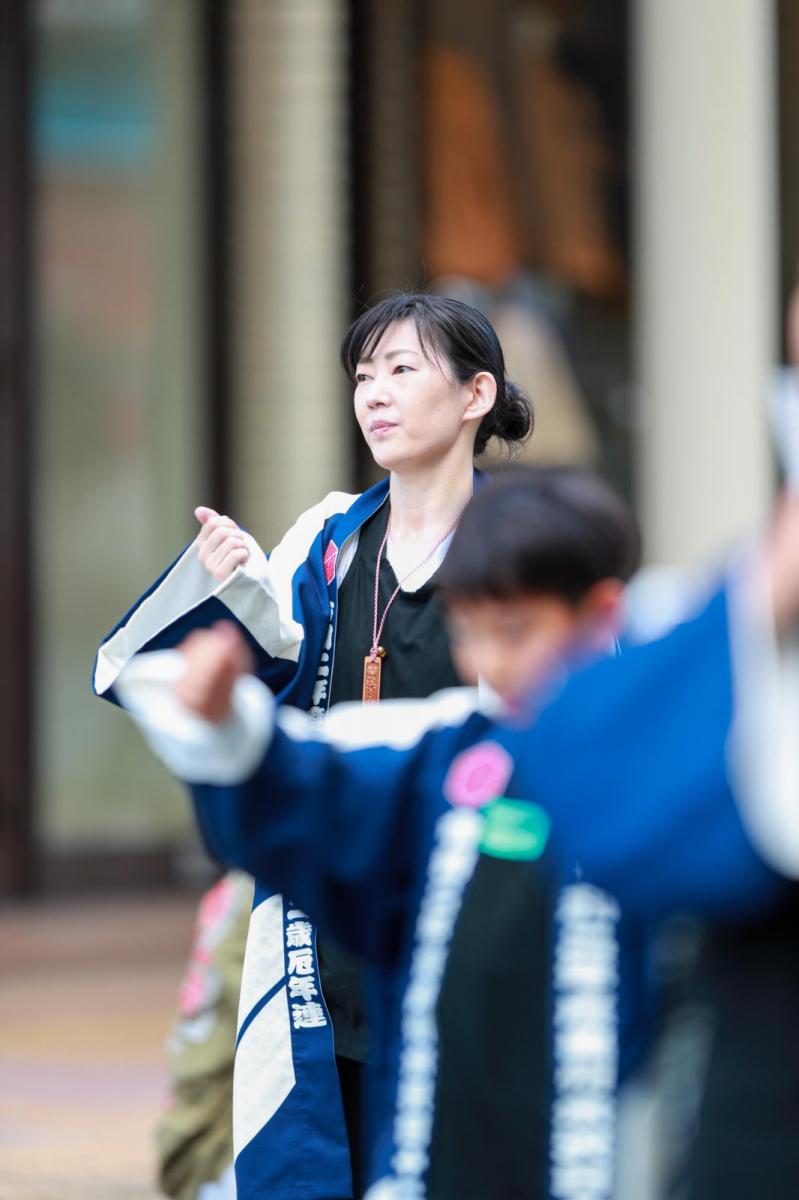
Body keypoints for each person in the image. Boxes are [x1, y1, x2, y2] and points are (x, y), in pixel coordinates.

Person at [93, 292, 533, 1200]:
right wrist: (236, 591)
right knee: (317, 1146)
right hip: (324, 924)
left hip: (464, 912)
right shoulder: (329, 541)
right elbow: (254, 695)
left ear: (475, 394)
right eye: (363, 376)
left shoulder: (520, 550)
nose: (374, 394)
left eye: (402, 370)